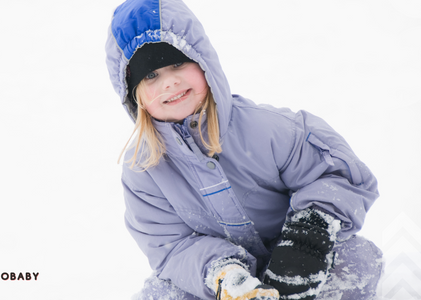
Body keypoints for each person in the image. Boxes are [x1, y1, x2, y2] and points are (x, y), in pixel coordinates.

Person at [105, 0, 383, 299]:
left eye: (177, 64)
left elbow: (336, 175)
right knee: (160, 294)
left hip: (299, 259)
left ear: (203, 63)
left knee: (356, 261)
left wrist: (308, 237)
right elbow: (172, 246)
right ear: (134, 97)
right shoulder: (144, 169)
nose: (170, 81)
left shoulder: (266, 129)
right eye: (150, 76)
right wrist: (224, 274)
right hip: (219, 283)